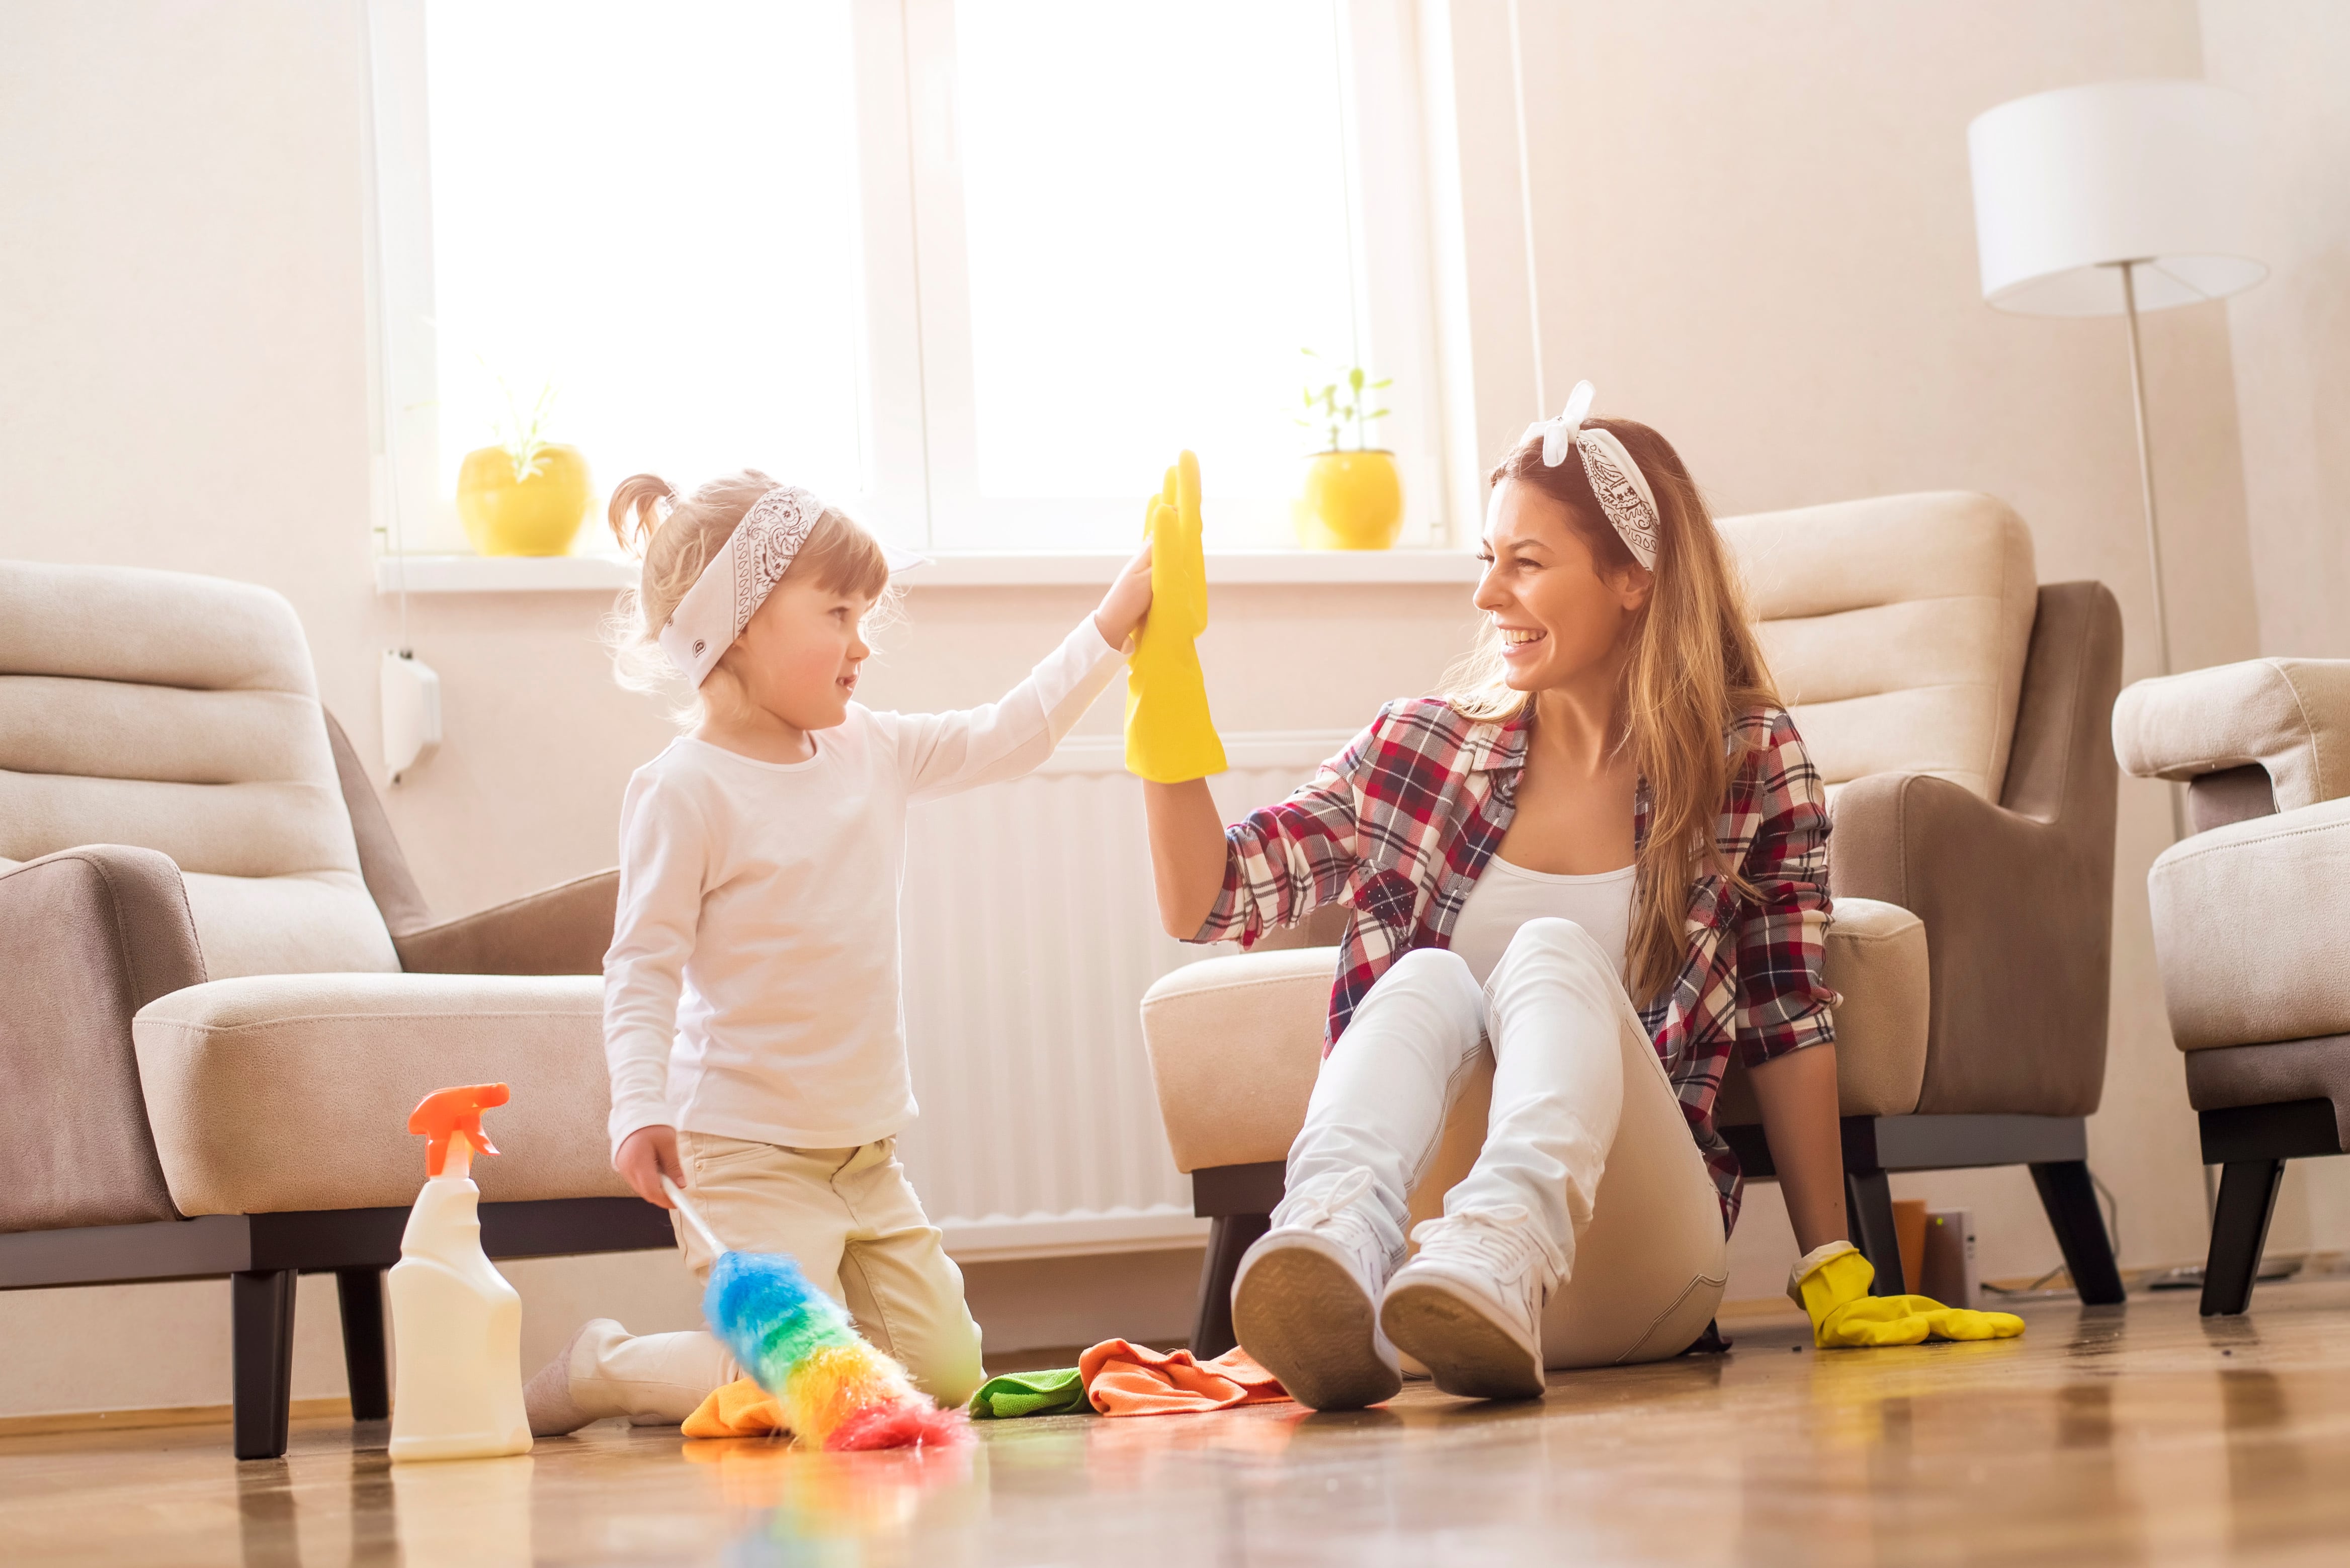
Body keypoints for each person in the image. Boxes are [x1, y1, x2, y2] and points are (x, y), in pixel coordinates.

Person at [1137, 385, 1869, 1409]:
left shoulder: (1745, 759)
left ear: (1630, 577)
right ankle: (1327, 1233)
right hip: (1416, 1291)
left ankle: (1506, 1237)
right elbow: (1207, 901)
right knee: (1427, 978)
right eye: (1487, 560)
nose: (1487, 597)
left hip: (1631, 1263)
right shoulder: (1417, 748)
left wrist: (1828, 1255)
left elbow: (1787, 1013)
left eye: (1524, 563)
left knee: (1547, 955)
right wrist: (1165, 685)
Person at [524, 470, 1152, 1435]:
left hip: (864, 1154)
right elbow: (642, 965)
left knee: (945, 1374)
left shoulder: (873, 750)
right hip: (741, 1155)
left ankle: (801, 1351)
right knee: (796, 1383)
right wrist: (639, 1105)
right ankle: (603, 1366)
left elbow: (1010, 733)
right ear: (737, 626)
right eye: (840, 613)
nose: (864, 643)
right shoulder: (685, 789)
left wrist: (1114, 623)